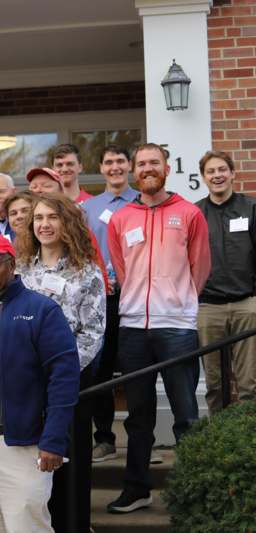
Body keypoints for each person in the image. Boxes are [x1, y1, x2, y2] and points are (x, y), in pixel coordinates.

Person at [0, 233, 80, 533]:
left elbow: (65, 378)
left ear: (11, 264)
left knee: (26, 527)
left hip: (23, 445)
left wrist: (54, 439)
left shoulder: (41, 310)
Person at [106, 143, 211, 514]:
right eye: (142, 164)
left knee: (185, 415)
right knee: (138, 416)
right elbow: (121, 270)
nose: (148, 168)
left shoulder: (189, 213)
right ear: (134, 172)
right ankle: (137, 489)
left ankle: (194, 491)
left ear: (167, 168)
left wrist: (179, 303)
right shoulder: (121, 219)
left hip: (177, 328)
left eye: (155, 162)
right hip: (133, 328)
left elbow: (200, 267)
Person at [16, 193, 106, 533]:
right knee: (30, 464)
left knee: (70, 462)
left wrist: (60, 374)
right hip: (24, 381)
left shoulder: (87, 272)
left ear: (66, 222)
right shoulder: (21, 269)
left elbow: (92, 333)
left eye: (52, 217)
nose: (44, 224)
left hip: (68, 382)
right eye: (38, 218)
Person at [81, 145, 138, 463]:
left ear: (128, 166)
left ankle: (144, 440)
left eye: (120, 161)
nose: (115, 167)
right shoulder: (89, 208)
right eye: (108, 162)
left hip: (134, 296)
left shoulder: (143, 204)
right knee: (100, 368)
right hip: (100, 298)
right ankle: (104, 437)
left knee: (135, 367)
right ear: (100, 168)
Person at [195, 150, 256, 413]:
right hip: (209, 308)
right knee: (214, 382)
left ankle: (248, 440)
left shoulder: (251, 208)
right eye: (211, 171)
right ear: (204, 177)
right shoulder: (195, 214)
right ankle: (216, 441)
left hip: (247, 305)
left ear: (232, 174)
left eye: (222, 170)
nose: (217, 175)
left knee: (249, 382)